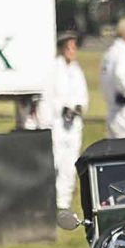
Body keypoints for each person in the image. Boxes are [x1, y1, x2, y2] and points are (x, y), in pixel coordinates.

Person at [39, 31, 89, 211]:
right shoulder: (53, 69)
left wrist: (79, 106)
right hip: (57, 123)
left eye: (74, 48)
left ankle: (63, 203)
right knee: (55, 162)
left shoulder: (76, 70)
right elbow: (48, 97)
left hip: (73, 125)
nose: (72, 51)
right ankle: (48, 200)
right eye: (69, 47)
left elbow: (83, 96)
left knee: (70, 164)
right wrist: (62, 108)